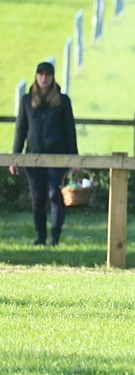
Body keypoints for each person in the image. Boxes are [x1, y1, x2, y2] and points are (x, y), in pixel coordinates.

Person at [9, 61, 78, 246]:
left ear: (52, 77)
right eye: (40, 74)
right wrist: (15, 157)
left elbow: (69, 130)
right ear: (36, 76)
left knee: (55, 195)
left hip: (58, 156)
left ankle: (55, 237)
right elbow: (20, 130)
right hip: (33, 157)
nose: (44, 78)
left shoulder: (63, 101)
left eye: (47, 75)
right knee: (38, 197)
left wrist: (74, 159)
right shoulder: (26, 101)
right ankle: (40, 236)